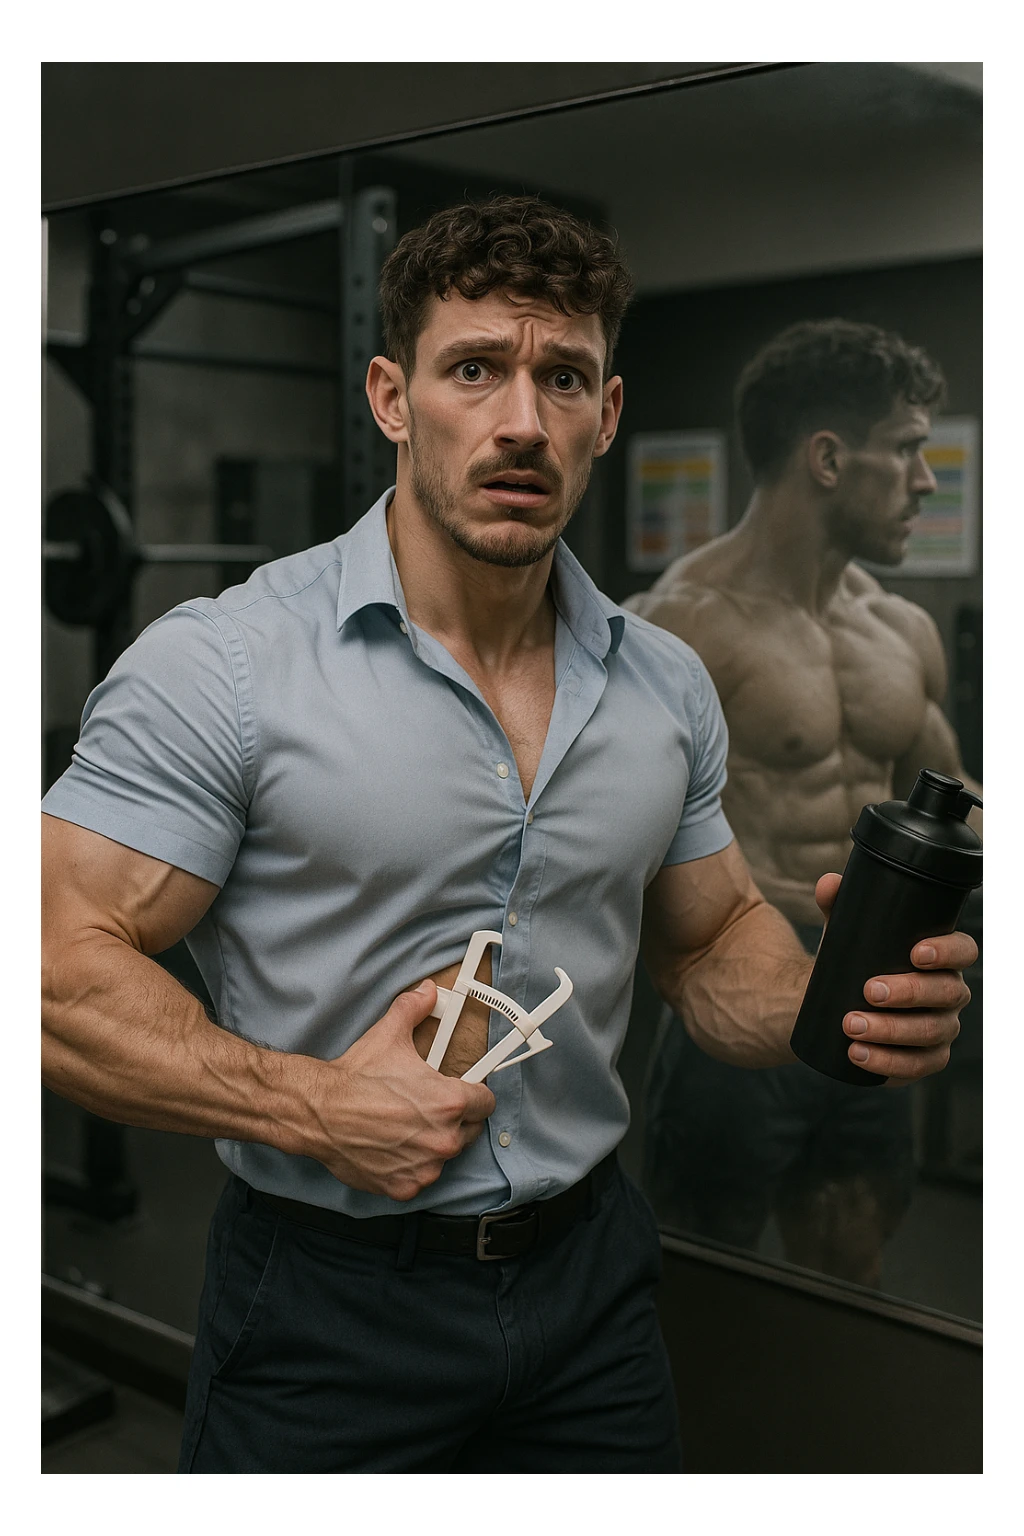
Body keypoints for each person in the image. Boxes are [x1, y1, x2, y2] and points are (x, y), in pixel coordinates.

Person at [41, 202, 975, 1474]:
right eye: (474, 368)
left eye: (564, 378)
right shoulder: (226, 666)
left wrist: (836, 1003)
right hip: (329, 1299)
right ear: (392, 397)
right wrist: (315, 1107)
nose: (522, 420)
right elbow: (51, 971)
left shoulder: (663, 683)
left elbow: (709, 943)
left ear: (608, 412)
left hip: (591, 1284)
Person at [627, 319, 982, 1286]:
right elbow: (619, 847)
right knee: (709, 1281)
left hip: (873, 998)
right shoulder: (681, 632)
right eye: (907, 450)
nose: (927, 481)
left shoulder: (900, 629)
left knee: (852, 1253)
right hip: (740, 1002)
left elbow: (953, 799)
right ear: (827, 459)